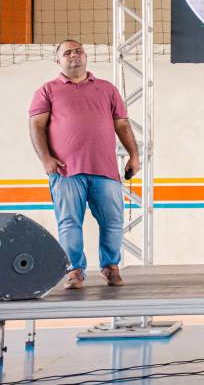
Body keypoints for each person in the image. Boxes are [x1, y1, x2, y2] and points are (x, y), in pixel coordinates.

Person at [28, 40, 140, 289]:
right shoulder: (47, 90)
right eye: (67, 52)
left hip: (105, 170)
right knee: (69, 222)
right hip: (65, 172)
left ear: (86, 56)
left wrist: (134, 155)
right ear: (58, 61)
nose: (74, 55)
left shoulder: (107, 89)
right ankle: (74, 270)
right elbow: (36, 125)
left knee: (113, 221)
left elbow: (122, 124)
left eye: (78, 51)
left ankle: (110, 266)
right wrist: (46, 159)